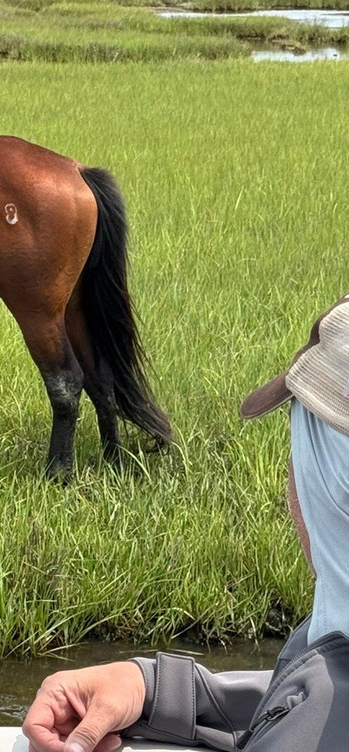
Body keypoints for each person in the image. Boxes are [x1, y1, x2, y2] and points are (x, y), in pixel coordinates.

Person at [22, 293, 349, 752]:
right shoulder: (331, 646)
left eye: (297, 453)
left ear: (326, 486)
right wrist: (151, 687)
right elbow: (312, 697)